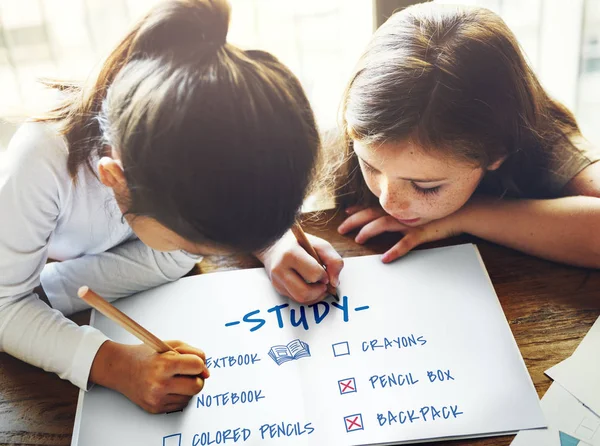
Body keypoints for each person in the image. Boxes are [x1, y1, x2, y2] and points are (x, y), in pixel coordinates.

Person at [0, 0, 339, 414]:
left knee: (172, 259)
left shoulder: (218, 111)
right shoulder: (40, 161)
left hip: (77, 271)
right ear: (114, 180)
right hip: (20, 271)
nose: (215, 253)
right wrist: (114, 364)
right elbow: (5, 306)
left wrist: (271, 243)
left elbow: (228, 183)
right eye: (200, 245)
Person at [331, 3, 600, 267]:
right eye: (369, 165)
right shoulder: (352, 130)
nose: (389, 202)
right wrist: (286, 244)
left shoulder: (549, 142)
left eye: (426, 186)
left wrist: (467, 215)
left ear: (497, 151)